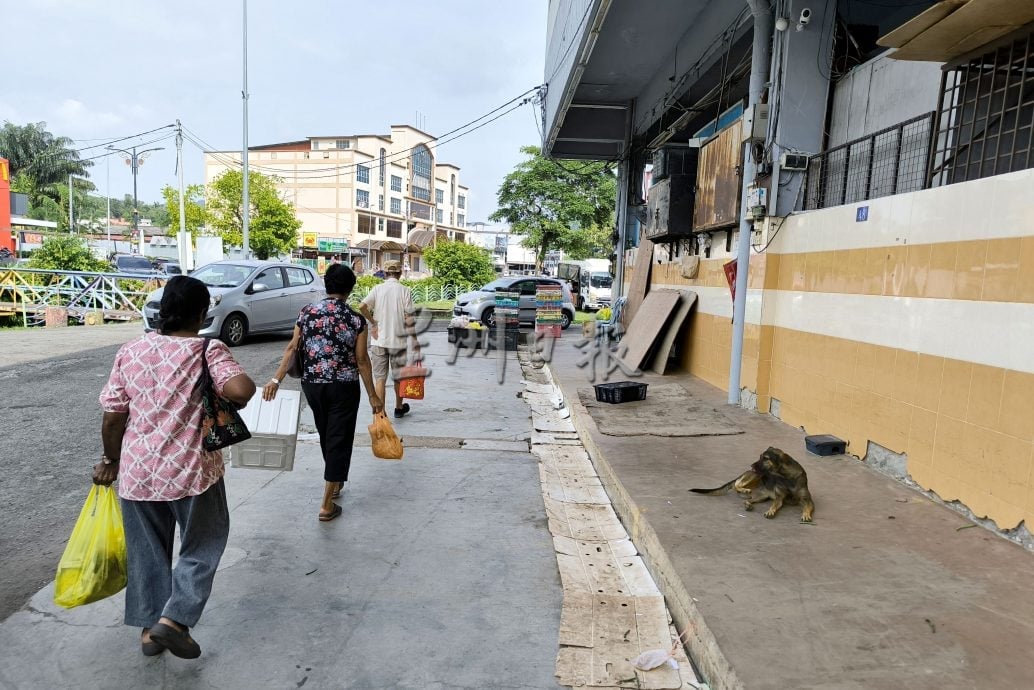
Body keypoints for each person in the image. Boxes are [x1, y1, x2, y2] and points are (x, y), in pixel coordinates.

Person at [93, 275, 256, 660]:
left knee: (147, 553)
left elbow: (113, 415)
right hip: (192, 470)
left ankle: (150, 634)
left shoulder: (130, 350)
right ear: (202, 313)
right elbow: (240, 391)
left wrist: (110, 461)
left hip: (137, 472)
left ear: (164, 311)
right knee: (204, 543)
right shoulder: (206, 350)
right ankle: (176, 620)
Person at [264, 263, 382, 521]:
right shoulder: (355, 319)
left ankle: (335, 482)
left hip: (313, 384)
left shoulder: (307, 313)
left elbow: (292, 348)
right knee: (339, 437)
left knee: (327, 433)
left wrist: (276, 380)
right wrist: (373, 395)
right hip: (344, 386)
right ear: (350, 289)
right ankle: (327, 503)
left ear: (326, 285)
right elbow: (362, 360)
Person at [358, 260, 420, 419]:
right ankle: (399, 408)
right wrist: (414, 340)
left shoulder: (378, 289)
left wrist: (372, 321)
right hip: (398, 342)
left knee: (380, 379)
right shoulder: (405, 291)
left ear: (384, 273)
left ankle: (380, 414)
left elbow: (361, 306)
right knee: (398, 376)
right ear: (400, 273)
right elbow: (408, 318)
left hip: (379, 341)